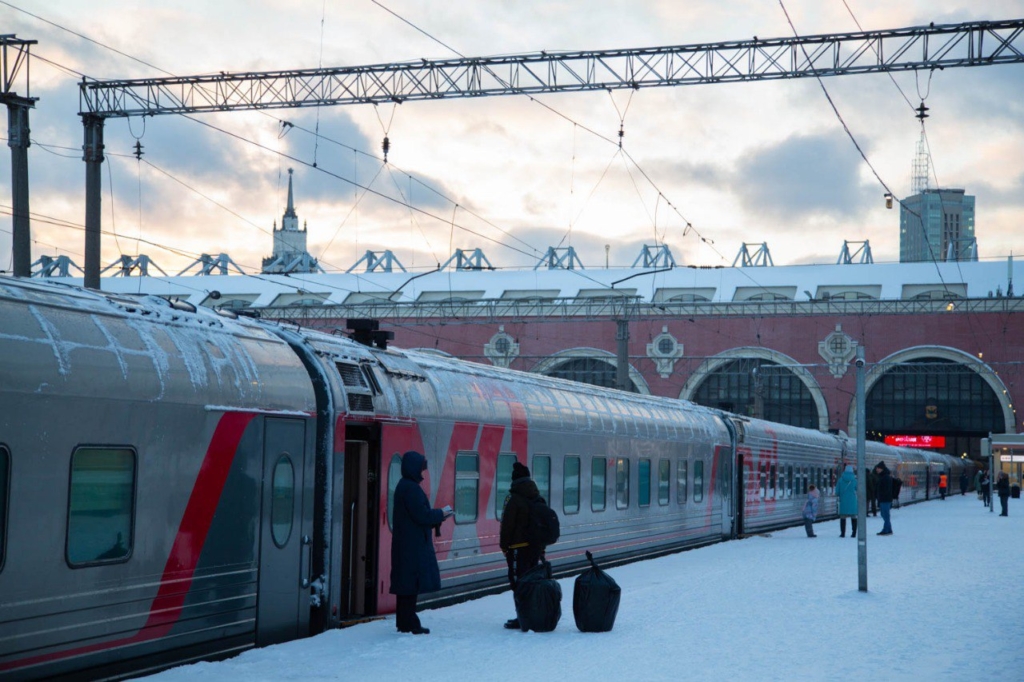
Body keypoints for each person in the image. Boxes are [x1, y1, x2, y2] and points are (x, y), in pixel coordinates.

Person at [389, 450, 454, 635]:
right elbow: (422, 515)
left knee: (405, 586)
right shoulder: (411, 489)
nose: (422, 474)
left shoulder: (403, 486)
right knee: (411, 585)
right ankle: (410, 623)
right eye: (421, 470)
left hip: (406, 544)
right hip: (413, 546)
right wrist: (441, 514)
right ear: (414, 468)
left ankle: (403, 622)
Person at [499, 461, 544, 629]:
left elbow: (507, 526)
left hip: (518, 548)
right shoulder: (537, 497)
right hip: (535, 549)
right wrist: (542, 548)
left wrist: (504, 547)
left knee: (519, 583)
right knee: (532, 581)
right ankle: (532, 614)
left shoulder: (513, 499)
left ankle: (523, 617)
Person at [836, 465, 857, 538]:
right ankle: (854, 533)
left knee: (843, 517)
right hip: (852, 501)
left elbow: (837, 492)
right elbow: (857, 489)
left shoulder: (840, 480)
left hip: (843, 501)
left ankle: (842, 533)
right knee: (853, 517)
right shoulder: (854, 480)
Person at [874, 461, 894, 535]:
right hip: (884, 498)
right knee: (885, 514)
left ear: (882, 469)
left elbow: (885, 489)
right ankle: (888, 529)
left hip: (885, 499)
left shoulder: (885, 477)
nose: (877, 470)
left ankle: (886, 529)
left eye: (878, 468)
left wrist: (880, 495)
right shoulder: (884, 476)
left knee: (885, 514)